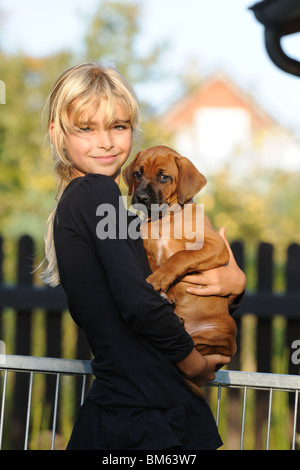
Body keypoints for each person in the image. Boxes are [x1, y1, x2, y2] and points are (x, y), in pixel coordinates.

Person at [42, 62, 246, 450]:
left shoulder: (88, 202)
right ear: (57, 134)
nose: (105, 141)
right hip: (145, 418)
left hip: (127, 410)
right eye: (86, 128)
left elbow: (156, 290)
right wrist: (195, 365)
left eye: (118, 126)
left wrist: (233, 289)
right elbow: (139, 303)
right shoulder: (97, 194)